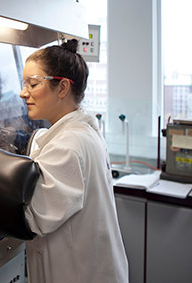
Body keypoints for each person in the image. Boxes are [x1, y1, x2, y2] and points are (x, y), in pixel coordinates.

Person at [19, 39, 129, 282]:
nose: (23, 92)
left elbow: (34, 217)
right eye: (24, 83)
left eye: (33, 83)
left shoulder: (67, 145)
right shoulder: (81, 132)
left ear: (62, 88)